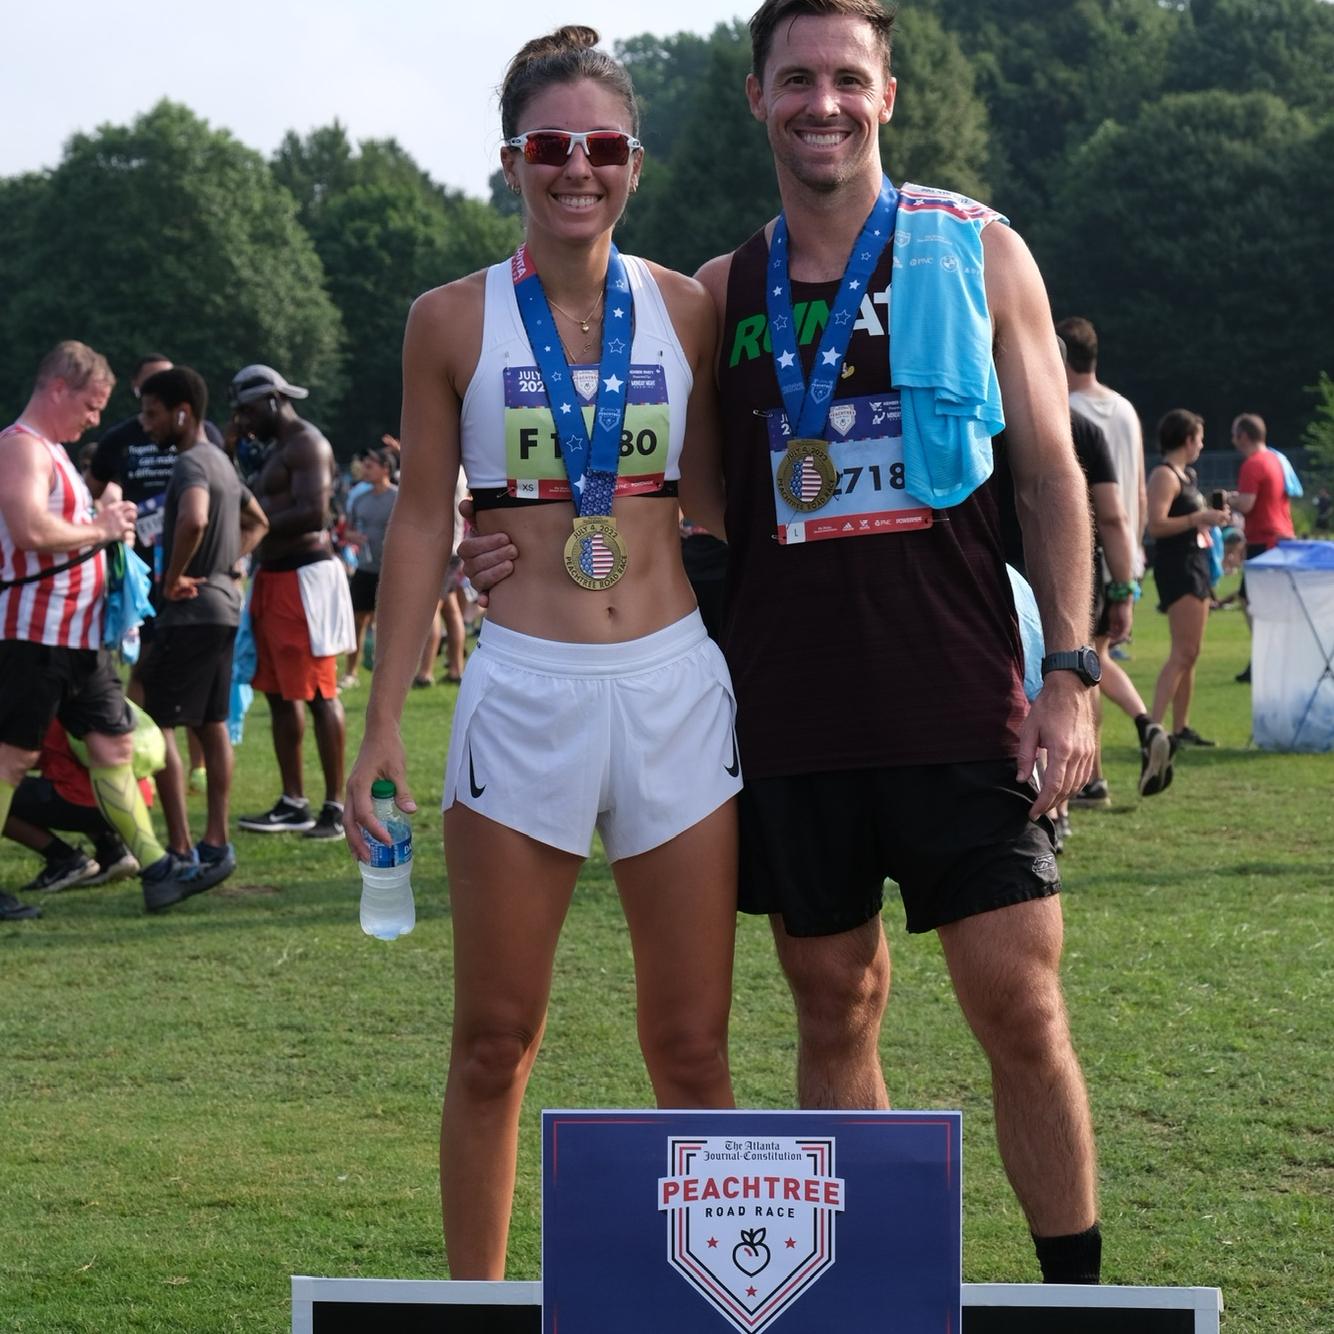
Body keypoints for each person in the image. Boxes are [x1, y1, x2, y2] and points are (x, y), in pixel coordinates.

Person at [463, 0, 1104, 1285]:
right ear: (755, 97)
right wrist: (508, 539)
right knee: (831, 1004)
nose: (823, 101)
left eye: (847, 78)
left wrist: (1070, 672)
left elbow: (1048, 477)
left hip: (958, 696)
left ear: (886, 94)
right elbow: (655, 484)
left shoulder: (975, 251)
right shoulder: (719, 292)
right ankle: (861, 1296)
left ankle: (1073, 1296)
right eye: (796, 78)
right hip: (790, 714)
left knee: (1021, 1009)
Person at [345, 26, 741, 1278]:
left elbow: (725, 514)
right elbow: (418, 518)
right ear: (511, 159)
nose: (578, 168)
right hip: (521, 691)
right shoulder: (447, 318)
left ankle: (725, 1298)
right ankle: (477, 1303)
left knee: (689, 1042)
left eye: (603, 147)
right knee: (493, 1038)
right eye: (551, 146)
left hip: (675, 685)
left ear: (635, 162)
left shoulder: (686, 304)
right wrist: (379, 728)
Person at [0, 341, 234, 914]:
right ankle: (156, 866)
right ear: (60, 388)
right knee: (11, 759)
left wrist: (106, 519)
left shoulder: (52, 453)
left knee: (114, 745)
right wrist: (102, 528)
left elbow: (65, 531)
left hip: (79, 639)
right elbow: (29, 529)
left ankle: (156, 870)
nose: (97, 420)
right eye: (91, 405)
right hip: (36, 634)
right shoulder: (22, 448)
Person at [137, 366, 270, 879]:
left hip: (191, 610)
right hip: (222, 605)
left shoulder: (193, 462)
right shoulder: (221, 459)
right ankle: (216, 839)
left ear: (181, 412)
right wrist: (229, 564)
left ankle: (181, 848)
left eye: (152, 414)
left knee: (160, 719)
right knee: (212, 723)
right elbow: (258, 520)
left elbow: (193, 518)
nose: (146, 424)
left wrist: (174, 578)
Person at [230, 365, 352, 840]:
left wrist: (252, 522)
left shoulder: (307, 443)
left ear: (274, 400)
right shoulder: (275, 447)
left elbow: (313, 511)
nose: (242, 421)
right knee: (278, 693)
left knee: (321, 693)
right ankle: (292, 801)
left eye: (247, 410)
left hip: (306, 578)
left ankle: (335, 807)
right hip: (274, 577)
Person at [1146, 410, 1230, 746]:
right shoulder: (1165, 476)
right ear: (1186, 439)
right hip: (1178, 567)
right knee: (1182, 651)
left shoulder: (1187, 475)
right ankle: (1152, 728)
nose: (1202, 444)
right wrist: (1198, 517)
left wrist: (1208, 517)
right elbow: (1156, 525)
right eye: (1199, 437)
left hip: (1195, 564)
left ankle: (1181, 727)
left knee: (1191, 652)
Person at [3, 719, 152, 894]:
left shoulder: (35, 701)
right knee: (76, 772)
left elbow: (16, 758)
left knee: (7, 790)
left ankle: (64, 859)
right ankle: (112, 851)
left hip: (88, 799)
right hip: (134, 799)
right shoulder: (96, 695)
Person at [1228, 413, 1294, 684]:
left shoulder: (1252, 463)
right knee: (1256, 601)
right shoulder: (1276, 459)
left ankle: (1267, 657)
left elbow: (1247, 504)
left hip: (1264, 540)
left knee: (1255, 602)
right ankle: (1266, 658)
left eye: (1234, 434)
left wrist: (1230, 499)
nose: (1232, 439)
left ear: (1244, 436)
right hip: (1279, 537)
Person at [341, 446, 398, 689]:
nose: (365, 468)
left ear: (386, 468)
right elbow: (348, 530)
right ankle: (351, 673)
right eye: (364, 464)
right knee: (357, 620)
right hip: (365, 568)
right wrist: (354, 537)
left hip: (392, 569)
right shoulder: (359, 498)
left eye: (371, 464)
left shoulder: (398, 497)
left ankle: (388, 677)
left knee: (391, 624)